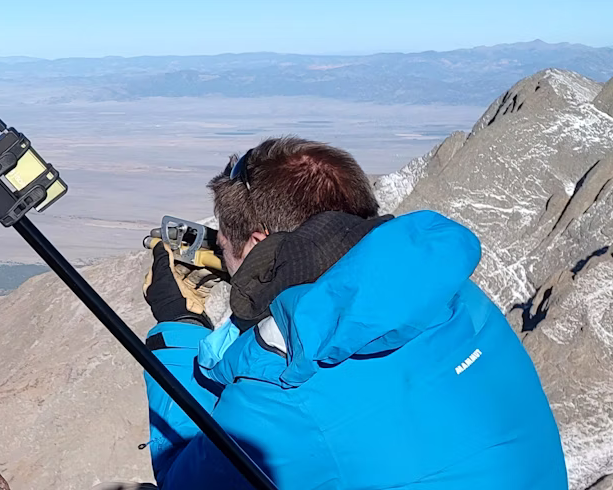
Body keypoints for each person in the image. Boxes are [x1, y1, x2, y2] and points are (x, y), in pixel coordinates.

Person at [140, 137, 566, 489]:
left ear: (256, 244)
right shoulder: (458, 299)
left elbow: (184, 478)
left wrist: (180, 328)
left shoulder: (280, 393)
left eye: (228, 245)